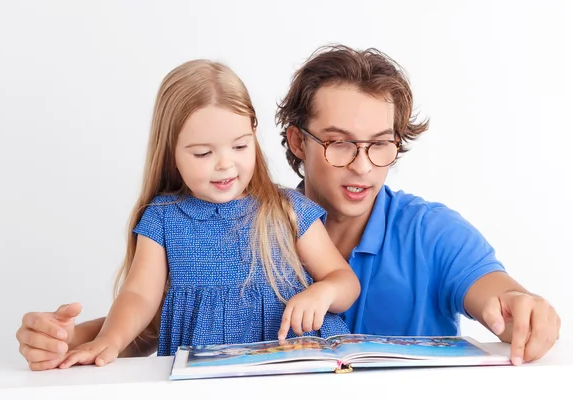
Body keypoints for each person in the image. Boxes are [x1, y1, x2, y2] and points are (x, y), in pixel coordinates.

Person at [16, 45, 560, 370]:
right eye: (340, 142)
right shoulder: (246, 221)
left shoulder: (431, 232)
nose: (364, 166)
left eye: (382, 143)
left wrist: (518, 305)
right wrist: (73, 339)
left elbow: (498, 293)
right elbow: (172, 317)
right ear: (296, 143)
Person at [21, 58, 361, 370]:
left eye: (240, 146)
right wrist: (107, 340)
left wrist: (324, 292)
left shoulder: (285, 209)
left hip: (300, 369)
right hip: (207, 377)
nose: (225, 163)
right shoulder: (163, 220)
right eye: (202, 153)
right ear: (171, 153)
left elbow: (344, 280)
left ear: (254, 135)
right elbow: (139, 295)